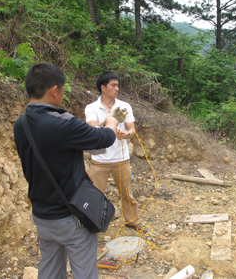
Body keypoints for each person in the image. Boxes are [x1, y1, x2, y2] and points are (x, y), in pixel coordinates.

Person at [13, 63, 122, 279]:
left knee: (50, 269)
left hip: (42, 215)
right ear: (54, 90)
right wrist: (111, 122)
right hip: (72, 216)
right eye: (62, 90)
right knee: (84, 272)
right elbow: (104, 138)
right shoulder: (64, 124)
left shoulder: (20, 124)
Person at [85, 71, 149, 234]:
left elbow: (132, 129)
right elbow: (92, 128)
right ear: (103, 87)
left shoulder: (124, 107)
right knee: (95, 196)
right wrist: (109, 122)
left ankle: (132, 222)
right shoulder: (92, 107)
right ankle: (93, 224)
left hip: (121, 160)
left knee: (127, 194)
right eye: (113, 85)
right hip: (99, 160)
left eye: (118, 85)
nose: (117, 88)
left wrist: (126, 135)